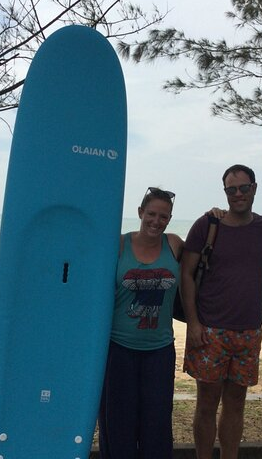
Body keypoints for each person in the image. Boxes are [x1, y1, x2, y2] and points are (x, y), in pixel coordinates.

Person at [180, 164, 262, 459]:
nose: (238, 194)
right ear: (225, 192)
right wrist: (193, 323)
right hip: (210, 331)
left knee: (236, 405)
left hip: (249, 332)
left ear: (255, 188)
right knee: (206, 403)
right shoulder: (207, 225)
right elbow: (186, 275)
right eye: (232, 190)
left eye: (244, 188)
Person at [98, 186, 184, 459]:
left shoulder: (174, 245)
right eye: (151, 214)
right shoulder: (119, 244)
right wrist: (10, 259)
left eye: (163, 216)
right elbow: (76, 260)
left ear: (169, 219)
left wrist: (216, 215)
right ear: (140, 213)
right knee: (118, 422)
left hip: (159, 350)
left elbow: (211, 265)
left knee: (157, 423)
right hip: (118, 348)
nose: (156, 221)